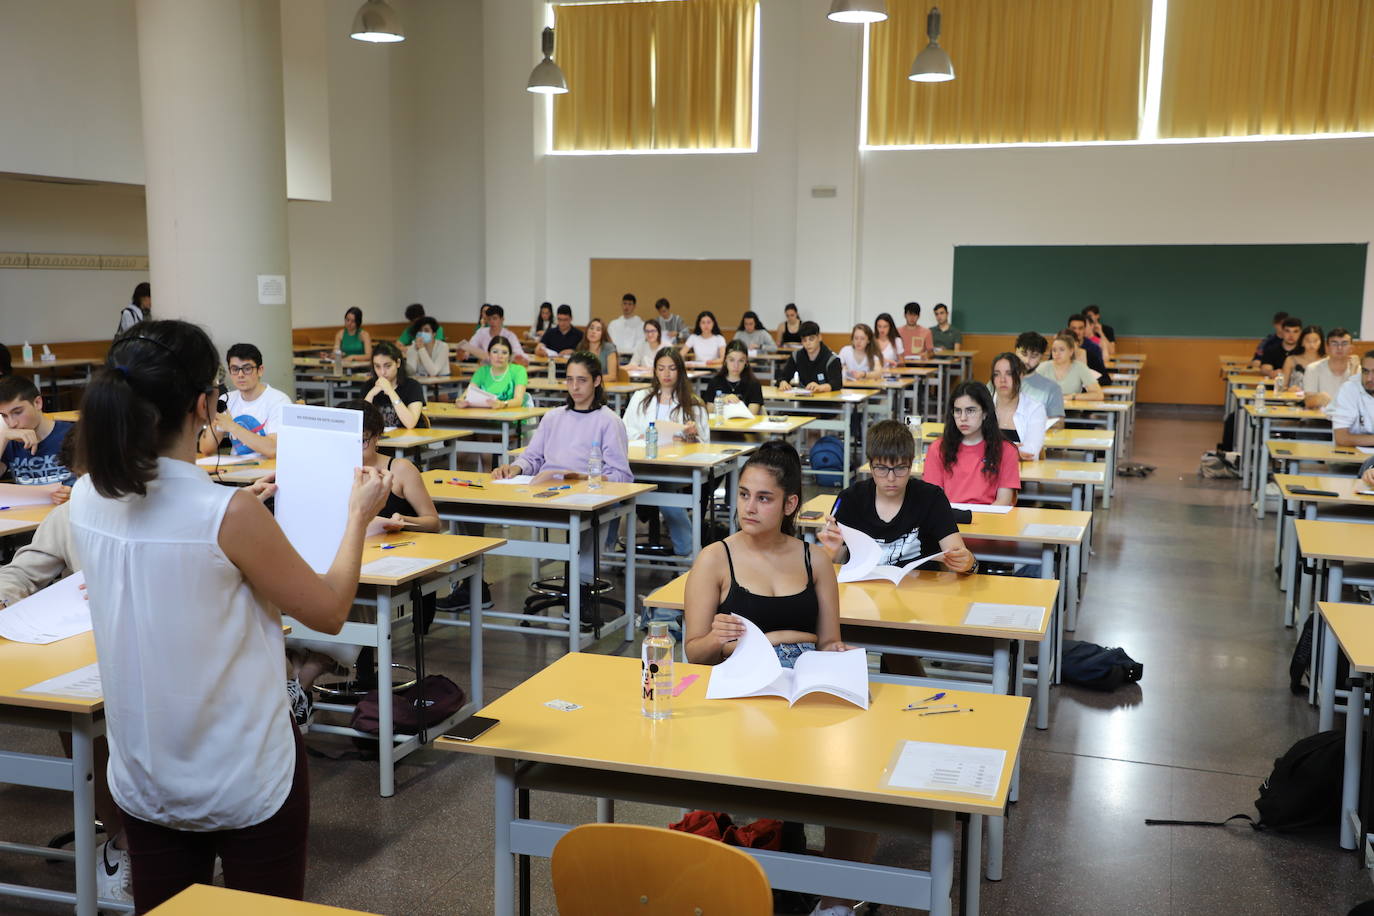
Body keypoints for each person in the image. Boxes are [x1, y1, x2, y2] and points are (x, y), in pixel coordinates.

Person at [70, 319, 392, 912]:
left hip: (144, 766)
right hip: (244, 768)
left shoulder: (87, 494)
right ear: (204, 405)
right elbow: (328, 610)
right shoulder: (227, 513)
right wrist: (357, 518)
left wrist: (246, 512)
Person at [682, 441, 873, 915]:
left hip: (804, 681)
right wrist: (719, 639)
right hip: (744, 686)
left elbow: (829, 641)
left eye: (763, 498)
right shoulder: (715, 559)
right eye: (744, 494)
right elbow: (693, 653)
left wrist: (837, 654)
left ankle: (834, 902)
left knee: (856, 780)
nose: (749, 507)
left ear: (790, 504)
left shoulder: (815, 560)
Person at [288, 398, 441, 700]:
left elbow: (433, 522)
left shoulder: (398, 469)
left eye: (362, 441)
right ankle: (297, 687)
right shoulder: (327, 470)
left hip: (386, 560)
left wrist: (403, 520)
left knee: (348, 602)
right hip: (338, 560)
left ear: (377, 437)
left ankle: (301, 684)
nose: (355, 448)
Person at [491, 352, 632, 584]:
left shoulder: (609, 421)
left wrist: (587, 477)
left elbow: (622, 476)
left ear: (597, 381)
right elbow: (533, 457)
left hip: (587, 496)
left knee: (591, 520)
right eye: (569, 380)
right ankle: (470, 585)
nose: (574, 387)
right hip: (548, 493)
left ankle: (582, 592)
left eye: (582, 380)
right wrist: (515, 469)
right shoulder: (553, 417)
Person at [817, 419, 974, 574]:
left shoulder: (931, 498)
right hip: (865, 592)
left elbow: (959, 556)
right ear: (870, 466)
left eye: (900, 468)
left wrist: (968, 563)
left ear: (911, 464)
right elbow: (833, 565)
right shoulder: (850, 499)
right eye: (882, 468)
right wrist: (831, 551)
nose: (891, 478)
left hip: (921, 593)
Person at [623, 348, 710, 556]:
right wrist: (641, 435)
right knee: (614, 497)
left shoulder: (693, 403)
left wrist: (690, 437)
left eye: (671, 368)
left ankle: (688, 553)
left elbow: (705, 443)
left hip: (674, 469)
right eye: (661, 368)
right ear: (655, 371)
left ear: (680, 371)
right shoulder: (641, 397)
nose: (666, 374)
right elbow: (625, 428)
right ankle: (606, 553)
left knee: (668, 496)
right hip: (639, 465)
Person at [923, 383, 1020, 506]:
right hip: (949, 519)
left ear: (985, 413)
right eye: (958, 411)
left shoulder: (1006, 450)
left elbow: (1004, 501)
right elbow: (933, 500)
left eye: (970, 411)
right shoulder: (937, 449)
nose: (963, 418)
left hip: (990, 519)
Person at [197, 343, 292, 460]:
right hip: (236, 471)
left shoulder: (279, 401)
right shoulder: (226, 400)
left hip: (268, 473)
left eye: (247, 369)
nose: (240, 375)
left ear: (260, 370)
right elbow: (205, 448)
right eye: (235, 369)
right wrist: (216, 424)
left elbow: (273, 450)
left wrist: (232, 427)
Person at [0, 375, 77, 500]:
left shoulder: (72, 434)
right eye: (4, 416)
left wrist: (75, 493)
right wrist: (3, 437)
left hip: (66, 512)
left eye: (18, 412)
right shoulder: (8, 441)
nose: (12, 423)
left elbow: (99, 482)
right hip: (28, 515)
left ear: (37, 403)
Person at [989, 352, 1048, 460]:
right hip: (985, 473)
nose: (1002, 380)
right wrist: (1014, 450)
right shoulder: (982, 407)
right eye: (997, 374)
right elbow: (972, 447)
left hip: (1023, 474)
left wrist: (991, 449)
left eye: (1009, 374)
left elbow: (1030, 451)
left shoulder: (1035, 409)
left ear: (1021, 375)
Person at [364, 341, 425, 429]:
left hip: (409, 440)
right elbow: (360, 423)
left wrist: (390, 391)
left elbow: (410, 423)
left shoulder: (413, 386)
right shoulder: (368, 386)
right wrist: (371, 394)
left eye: (387, 366)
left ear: (398, 363)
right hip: (379, 441)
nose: (382, 372)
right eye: (377, 366)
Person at [1013, 332, 1066, 419]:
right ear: (1016, 351)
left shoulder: (1052, 389)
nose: (1027, 360)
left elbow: (1058, 423)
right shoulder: (999, 380)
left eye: (1034, 356)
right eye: (1023, 354)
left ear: (1041, 357)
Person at [777, 321, 841, 392]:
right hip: (802, 400)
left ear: (819, 337)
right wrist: (783, 382)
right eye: (804, 340)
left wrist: (820, 387)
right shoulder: (796, 356)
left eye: (811, 339)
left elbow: (837, 384)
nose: (808, 343)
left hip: (827, 401)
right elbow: (782, 376)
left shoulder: (832, 359)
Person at [466, 336, 529, 408]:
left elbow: (518, 400)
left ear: (509, 356)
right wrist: (461, 400)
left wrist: (502, 404)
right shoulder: (482, 371)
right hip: (483, 415)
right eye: (495, 352)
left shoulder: (519, 371)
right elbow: (467, 394)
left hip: (510, 416)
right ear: (489, 354)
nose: (500, 356)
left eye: (504, 353)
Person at [704, 340, 764, 415]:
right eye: (732, 360)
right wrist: (722, 401)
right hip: (721, 426)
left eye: (741, 361)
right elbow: (709, 411)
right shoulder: (715, 382)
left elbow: (752, 414)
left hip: (744, 425)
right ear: (725, 360)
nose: (736, 365)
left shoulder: (754, 384)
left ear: (746, 362)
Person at [1304, 327, 1358, 410]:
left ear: (1351, 348)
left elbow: (1357, 401)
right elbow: (1308, 402)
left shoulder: (1359, 370)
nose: (1339, 348)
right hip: (1319, 420)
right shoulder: (1313, 368)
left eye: (1344, 344)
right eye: (1334, 344)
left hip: (1348, 420)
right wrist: (1317, 398)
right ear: (1327, 347)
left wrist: (1353, 373)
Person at [1036, 332, 1102, 400]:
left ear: (1071, 351)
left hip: (1072, 409)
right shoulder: (1043, 367)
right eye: (1054, 350)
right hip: (1047, 408)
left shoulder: (1080, 367)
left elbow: (1098, 395)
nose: (1057, 353)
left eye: (1061, 350)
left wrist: (1072, 397)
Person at [1332, 351, 1374, 447]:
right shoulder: (1349, 389)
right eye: (1365, 371)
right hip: (1351, 457)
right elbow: (1341, 438)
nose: (1369, 379)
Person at [1066, 313, 1111, 385]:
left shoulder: (1093, 349)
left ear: (1085, 329)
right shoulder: (1060, 348)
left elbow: (1105, 378)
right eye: (1073, 328)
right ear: (1068, 329)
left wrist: (1086, 382)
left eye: (1080, 328)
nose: (1077, 332)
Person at [1280, 325, 1324, 390]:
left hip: (1320, 399)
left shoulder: (1327, 361)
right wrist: (1289, 389)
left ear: (1321, 342)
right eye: (1308, 341)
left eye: (1315, 341)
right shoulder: (1291, 360)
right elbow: (1282, 387)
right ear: (1302, 342)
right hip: (1295, 399)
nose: (1311, 344)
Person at [583, 317, 621, 382]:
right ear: (587, 330)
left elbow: (612, 376)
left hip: (606, 388)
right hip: (586, 387)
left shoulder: (609, 348)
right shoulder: (581, 348)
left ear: (602, 334)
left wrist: (590, 380)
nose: (593, 332)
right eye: (591, 328)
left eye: (598, 330)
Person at [607, 293, 644, 358]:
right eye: (625, 303)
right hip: (615, 357)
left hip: (633, 357)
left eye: (630, 304)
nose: (626, 307)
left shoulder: (641, 325)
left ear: (634, 306)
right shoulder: (613, 324)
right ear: (621, 305)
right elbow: (609, 343)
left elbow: (640, 345)